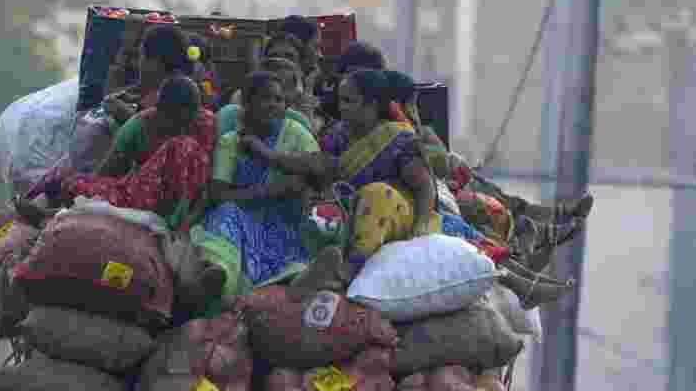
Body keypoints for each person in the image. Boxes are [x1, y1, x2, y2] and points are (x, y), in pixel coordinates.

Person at [320, 68, 573, 307]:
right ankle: (526, 281)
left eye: (349, 101)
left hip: (404, 214)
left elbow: (423, 187)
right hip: (360, 216)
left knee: (473, 243)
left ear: (372, 106)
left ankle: (525, 285)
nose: (341, 108)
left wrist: (420, 227)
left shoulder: (396, 138)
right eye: (341, 100)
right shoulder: (336, 138)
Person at [202, 71, 320, 289]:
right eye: (266, 98)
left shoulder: (296, 134)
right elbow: (218, 196)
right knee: (224, 214)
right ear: (247, 103)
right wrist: (271, 190)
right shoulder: (231, 142)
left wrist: (268, 155)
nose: (273, 105)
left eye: (279, 100)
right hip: (243, 217)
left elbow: (319, 170)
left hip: (287, 223)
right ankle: (219, 274)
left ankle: (296, 276)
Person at [62, 75, 216, 230]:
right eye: (175, 120)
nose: (182, 129)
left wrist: (186, 222)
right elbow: (106, 173)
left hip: (167, 205)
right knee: (75, 184)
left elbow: (205, 188)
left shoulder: (204, 128)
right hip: (141, 192)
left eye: (189, 121)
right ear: (160, 110)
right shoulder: (138, 127)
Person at [217, 57, 315, 136]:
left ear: (295, 92)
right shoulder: (228, 116)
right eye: (266, 89)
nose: (273, 102)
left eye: (284, 87)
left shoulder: (299, 122)